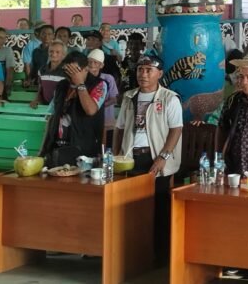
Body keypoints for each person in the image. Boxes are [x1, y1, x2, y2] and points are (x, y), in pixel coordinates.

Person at [113, 55, 182, 262]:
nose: (143, 74)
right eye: (140, 70)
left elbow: (176, 130)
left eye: (148, 70)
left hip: (155, 159)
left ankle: (161, 255)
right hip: (130, 158)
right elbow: (119, 128)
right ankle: (135, 253)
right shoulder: (129, 97)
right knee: (131, 206)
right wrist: (114, 154)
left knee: (159, 206)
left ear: (159, 74)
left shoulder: (169, 98)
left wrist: (163, 157)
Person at [39, 51, 105, 167]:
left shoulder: (99, 84)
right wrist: (42, 150)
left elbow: (90, 110)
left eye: (74, 71)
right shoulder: (61, 86)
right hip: (57, 149)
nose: (70, 75)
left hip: (83, 152)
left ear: (85, 69)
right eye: (67, 71)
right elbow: (52, 118)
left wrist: (80, 84)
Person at [87, 49, 121, 145]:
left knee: (104, 147)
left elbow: (114, 98)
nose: (92, 65)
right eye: (89, 62)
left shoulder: (108, 78)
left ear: (101, 65)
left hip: (106, 120)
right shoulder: (83, 78)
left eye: (95, 62)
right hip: (88, 121)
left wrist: (98, 106)